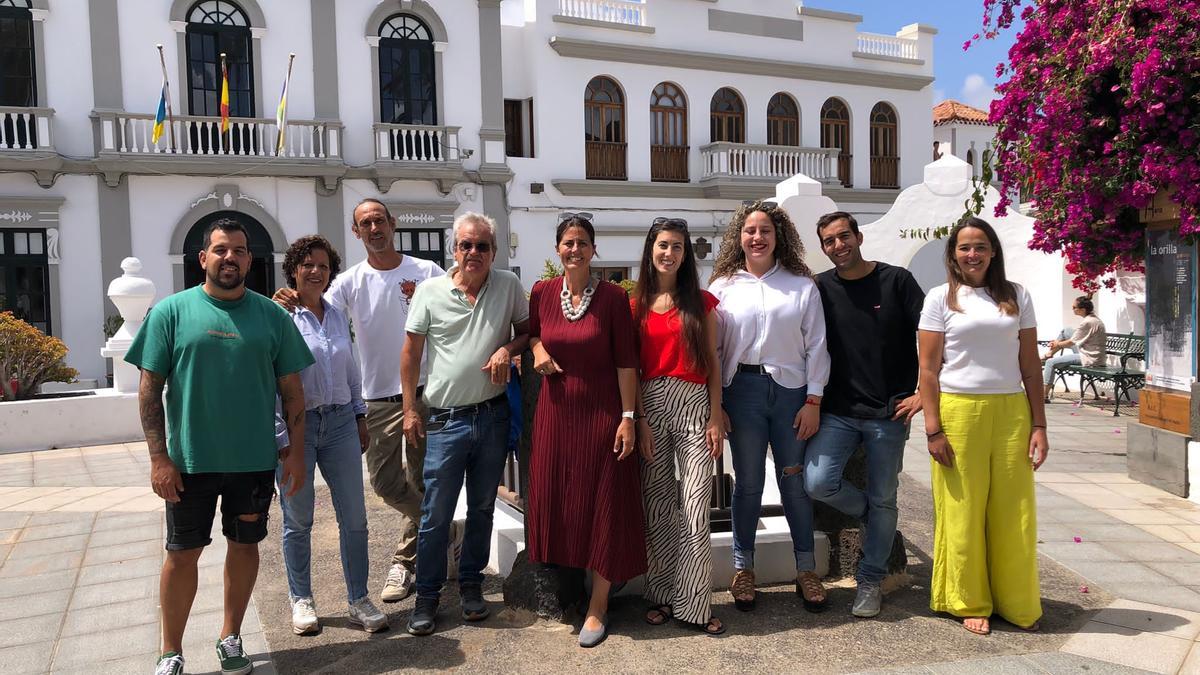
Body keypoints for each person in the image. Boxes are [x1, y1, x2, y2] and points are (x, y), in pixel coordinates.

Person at [128, 218, 314, 675]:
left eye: (239, 251)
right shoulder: (170, 313)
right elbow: (150, 390)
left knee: (244, 546)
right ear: (203, 258)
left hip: (252, 462)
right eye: (220, 250)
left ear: (250, 259)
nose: (229, 257)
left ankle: (231, 638)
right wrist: (158, 457)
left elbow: (292, 391)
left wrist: (294, 453)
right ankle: (171, 651)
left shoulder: (271, 317)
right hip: (189, 462)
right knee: (181, 553)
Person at [274, 198, 445, 603]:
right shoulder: (348, 281)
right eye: (365, 223)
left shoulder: (427, 272)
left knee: (423, 480)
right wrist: (287, 298)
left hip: (426, 394)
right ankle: (438, 529)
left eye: (379, 220)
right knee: (386, 484)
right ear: (357, 232)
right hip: (379, 401)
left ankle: (405, 563)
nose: (374, 228)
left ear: (393, 223)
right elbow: (316, 308)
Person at [400, 212, 530, 636]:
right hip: (446, 421)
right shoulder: (430, 291)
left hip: (492, 417)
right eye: (466, 245)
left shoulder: (508, 284)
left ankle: (472, 585)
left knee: (482, 508)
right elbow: (411, 354)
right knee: (435, 514)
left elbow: (528, 331)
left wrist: (507, 348)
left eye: (483, 246)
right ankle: (427, 596)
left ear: (494, 251)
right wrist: (409, 409)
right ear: (454, 249)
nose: (474, 253)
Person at [917, 217, 1049, 636]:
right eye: (963, 248)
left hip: (1012, 412)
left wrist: (1040, 425)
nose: (972, 254)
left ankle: (1016, 600)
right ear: (953, 254)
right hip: (959, 412)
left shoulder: (1016, 296)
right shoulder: (941, 299)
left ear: (993, 251)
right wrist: (933, 429)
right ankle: (968, 599)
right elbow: (928, 369)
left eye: (980, 247)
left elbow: (1030, 366)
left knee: (1015, 510)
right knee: (963, 508)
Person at [525, 214, 644, 648]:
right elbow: (532, 334)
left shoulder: (613, 298)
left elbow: (627, 363)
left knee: (606, 506)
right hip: (556, 414)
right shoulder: (541, 292)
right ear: (557, 249)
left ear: (594, 250)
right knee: (567, 503)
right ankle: (574, 591)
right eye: (567, 242)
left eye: (582, 242)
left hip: (601, 415)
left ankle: (599, 604)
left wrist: (628, 417)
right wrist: (537, 348)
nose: (574, 249)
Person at [708, 199, 831, 614]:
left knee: (794, 482)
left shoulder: (801, 285)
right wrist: (717, 404)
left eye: (765, 230)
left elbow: (817, 346)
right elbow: (713, 350)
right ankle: (744, 569)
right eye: (749, 230)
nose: (757, 237)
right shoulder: (723, 286)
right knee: (746, 485)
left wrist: (814, 399)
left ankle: (806, 570)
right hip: (741, 393)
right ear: (738, 237)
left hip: (791, 396)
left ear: (779, 237)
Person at [803, 211, 925, 618]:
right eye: (829, 241)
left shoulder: (897, 281)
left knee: (885, 492)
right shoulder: (820, 287)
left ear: (858, 236)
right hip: (838, 410)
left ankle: (870, 579)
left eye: (844, 237)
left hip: (889, 412)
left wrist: (924, 392)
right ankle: (877, 515)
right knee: (818, 482)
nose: (838, 246)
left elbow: (932, 337)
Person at [273, 235, 388, 635]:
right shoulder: (280, 316)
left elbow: (351, 370)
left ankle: (359, 598)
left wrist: (359, 416)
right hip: (296, 426)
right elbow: (270, 379)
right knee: (298, 517)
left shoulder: (337, 315)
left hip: (339, 422)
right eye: (307, 265)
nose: (316, 271)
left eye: (323, 265)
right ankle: (301, 598)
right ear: (293, 270)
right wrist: (279, 436)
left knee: (354, 518)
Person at [631, 217, 725, 636]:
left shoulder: (700, 302)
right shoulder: (633, 305)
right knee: (658, 507)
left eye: (677, 248)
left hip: (693, 402)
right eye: (663, 245)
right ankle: (661, 595)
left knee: (695, 505)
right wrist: (640, 418)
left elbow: (713, 362)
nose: (669, 253)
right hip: (650, 402)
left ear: (686, 256)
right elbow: (629, 368)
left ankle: (695, 603)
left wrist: (716, 415)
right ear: (651, 249)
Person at [1042, 296, 1106, 399]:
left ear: (1083, 309)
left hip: (1089, 357)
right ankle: (1049, 353)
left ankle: (1044, 395)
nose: (1073, 309)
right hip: (1088, 351)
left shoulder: (1087, 322)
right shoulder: (1093, 318)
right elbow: (1073, 339)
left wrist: (1056, 344)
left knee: (1050, 363)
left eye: (1074, 307)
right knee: (1066, 331)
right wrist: (1057, 343)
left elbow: (1071, 342)